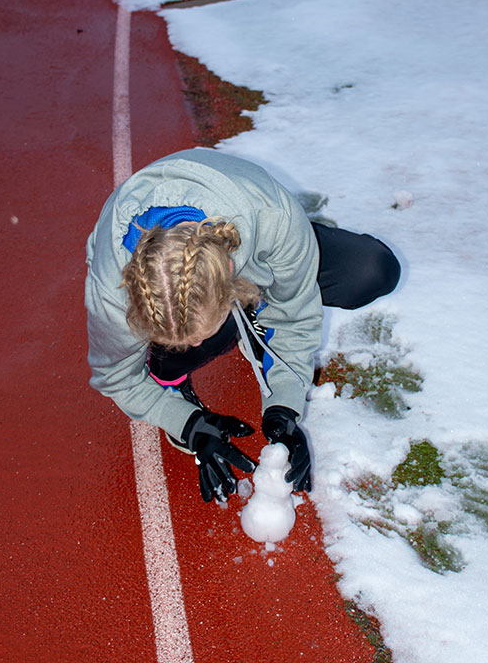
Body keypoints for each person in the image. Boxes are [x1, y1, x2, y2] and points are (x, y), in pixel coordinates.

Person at [85, 148, 400, 503]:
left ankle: (263, 298)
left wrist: (285, 405)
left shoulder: (274, 218)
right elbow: (115, 376)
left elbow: (296, 317)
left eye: (197, 336)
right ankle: (168, 367)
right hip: (214, 267)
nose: (191, 345)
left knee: (373, 270)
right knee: (171, 351)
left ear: (234, 279)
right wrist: (187, 424)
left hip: (260, 236)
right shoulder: (111, 290)